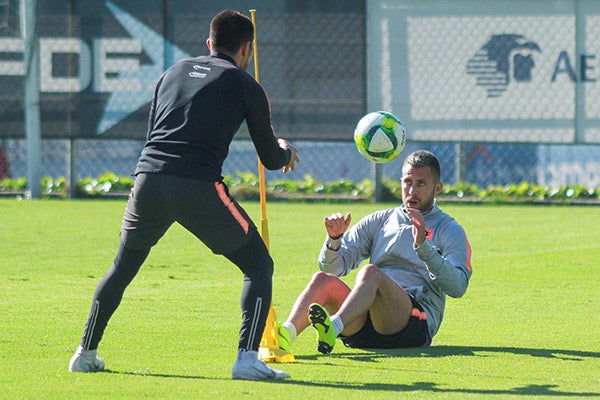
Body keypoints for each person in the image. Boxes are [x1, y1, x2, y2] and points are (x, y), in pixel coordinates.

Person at [69, 10, 299, 381]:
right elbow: (271, 158)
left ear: (209, 44)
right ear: (247, 49)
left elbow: (154, 136)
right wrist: (286, 149)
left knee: (122, 267)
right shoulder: (245, 84)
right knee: (258, 265)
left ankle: (85, 352)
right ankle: (246, 359)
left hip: (147, 179)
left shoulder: (171, 73)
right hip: (197, 186)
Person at [277, 150, 471, 354]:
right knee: (322, 280)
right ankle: (284, 337)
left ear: (437, 187)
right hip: (365, 322)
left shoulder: (449, 229)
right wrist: (334, 241)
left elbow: (458, 287)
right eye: (407, 182)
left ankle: (332, 328)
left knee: (370, 273)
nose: (412, 190)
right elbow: (332, 268)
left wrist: (424, 248)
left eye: (421, 184)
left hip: (413, 325)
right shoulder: (381, 220)